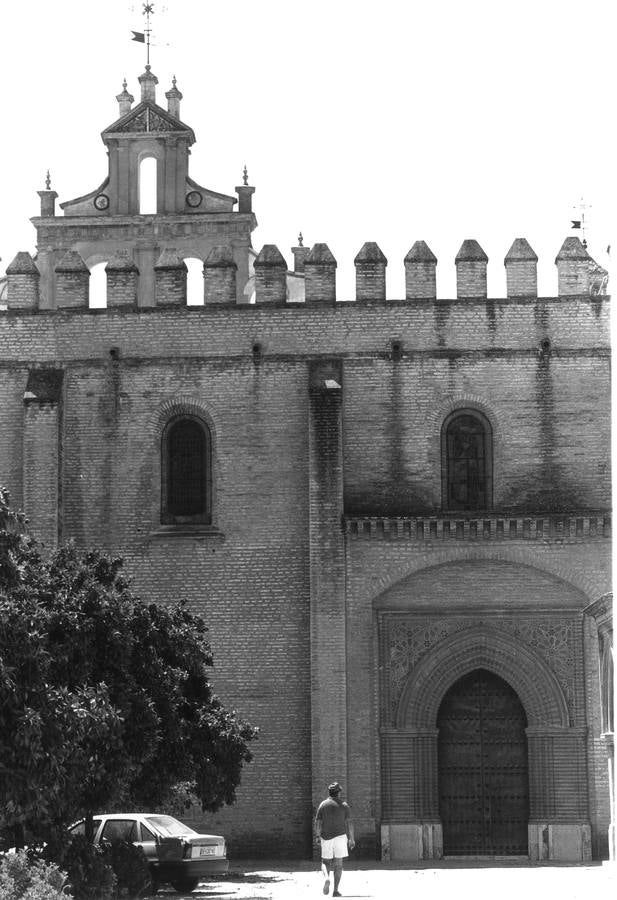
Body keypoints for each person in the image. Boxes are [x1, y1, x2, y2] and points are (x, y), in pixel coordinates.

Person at [314, 782, 355, 897]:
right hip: (341, 837)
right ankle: (336, 890)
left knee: (325, 862)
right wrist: (351, 838)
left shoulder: (323, 805)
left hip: (326, 837)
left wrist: (317, 836)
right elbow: (349, 823)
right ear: (339, 793)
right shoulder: (344, 805)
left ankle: (327, 878)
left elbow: (318, 822)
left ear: (329, 792)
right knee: (338, 864)